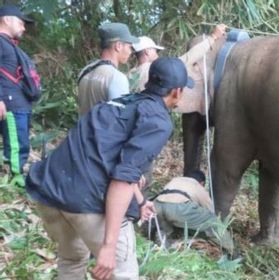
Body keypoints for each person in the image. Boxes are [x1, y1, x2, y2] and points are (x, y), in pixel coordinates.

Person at [26, 57, 193, 280]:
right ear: (177, 91)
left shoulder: (121, 103)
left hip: (48, 192)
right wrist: (108, 245)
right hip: (85, 203)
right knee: (124, 274)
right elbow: (123, 178)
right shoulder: (158, 121)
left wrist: (141, 201)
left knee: (72, 260)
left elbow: (112, 161)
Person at [0, 5, 38, 186]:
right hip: (10, 104)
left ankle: (16, 172)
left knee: (19, 139)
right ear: (7, 20)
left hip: (19, 103)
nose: (23, 28)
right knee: (16, 143)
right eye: (20, 23)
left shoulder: (9, 44)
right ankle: (15, 177)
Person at [127, 24, 227, 93]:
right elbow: (187, 58)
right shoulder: (151, 70)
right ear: (147, 51)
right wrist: (213, 37)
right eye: (155, 50)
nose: (157, 54)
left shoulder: (130, 74)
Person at [152, 170, 234, 253]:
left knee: (166, 223)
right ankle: (232, 251)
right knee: (214, 222)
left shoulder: (176, 180)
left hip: (157, 205)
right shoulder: (197, 186)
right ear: (202, 183)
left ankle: (164, 241)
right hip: (179, 208)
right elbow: (210, 210)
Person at [77, 22, 138, 116]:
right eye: (129, 47)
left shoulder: (85, 71)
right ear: (118, 46)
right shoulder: (116, 78)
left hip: (81, 130)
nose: (130, 52)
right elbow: (120, 120)